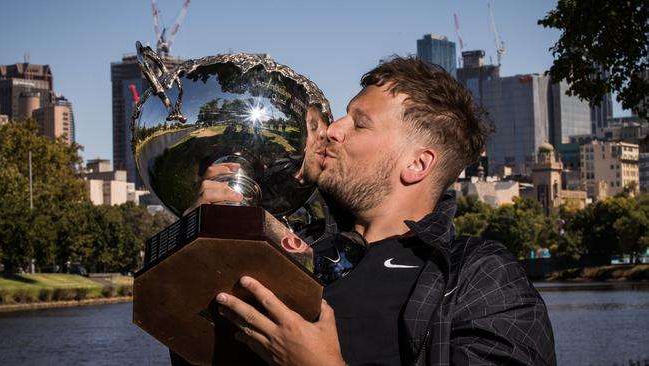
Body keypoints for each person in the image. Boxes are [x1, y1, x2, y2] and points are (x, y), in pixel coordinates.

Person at [212, 56, 556, 366]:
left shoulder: (479, 276)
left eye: (359, 124)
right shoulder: (291, 244)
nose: (332, 130)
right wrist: (210, 235)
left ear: (417, 164)